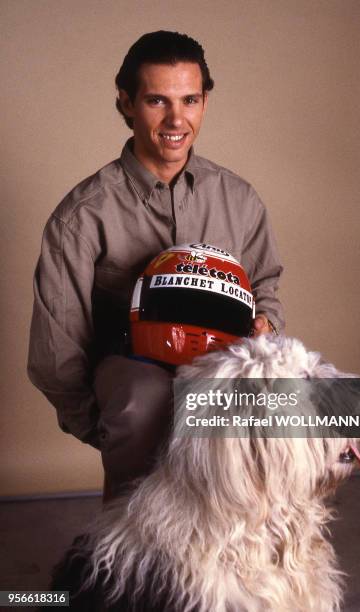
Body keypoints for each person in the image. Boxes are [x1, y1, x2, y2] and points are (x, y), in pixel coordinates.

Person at [28, 31, 284, 499]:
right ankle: (133, 553)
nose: (176, 119)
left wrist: (264, 322)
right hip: (130, 369)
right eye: (156, 100)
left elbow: (264, 284)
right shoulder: (82, 215)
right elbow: (55, 352)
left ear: (205, 101)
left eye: (189, 99)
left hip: (222, 364)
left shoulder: (239, 198)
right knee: (144, 401)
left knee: (327, 403)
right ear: (126, 103)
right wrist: (104, 429)